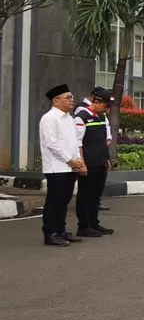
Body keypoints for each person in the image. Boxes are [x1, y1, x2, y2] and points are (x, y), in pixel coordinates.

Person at [38, 84, 83, 246]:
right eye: (68, 98)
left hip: (70, 167)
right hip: (56, 168)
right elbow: (51, 143)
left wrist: (77, 161)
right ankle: (50, 233)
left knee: (64, 201)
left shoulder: (69, 118)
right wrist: (69, 160)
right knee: (54, 201)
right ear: (56, 100)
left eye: (72, 97)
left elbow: (74, 142)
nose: (72, 100)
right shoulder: (49, 118)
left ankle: (61, 230)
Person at [72, 88, 115, 238]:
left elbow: (102, 141)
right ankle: (83, 226)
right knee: (85, 195)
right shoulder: (81, 117)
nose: (107, 109)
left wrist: (106, 159)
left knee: (96, 195)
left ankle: (93, 223)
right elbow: (78, 144)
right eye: (105, 106)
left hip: (100, 162)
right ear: (95, 102)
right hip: (88, 164)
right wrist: (81, 163)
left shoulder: (101, 117)